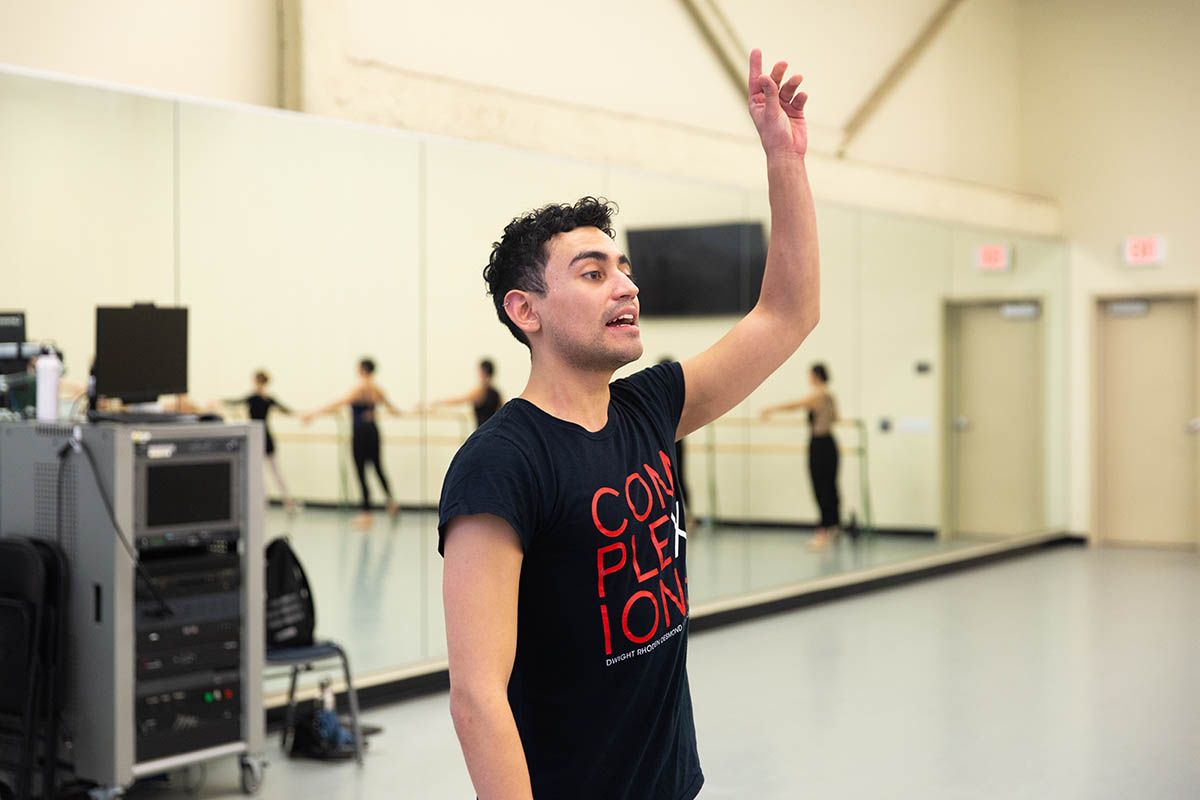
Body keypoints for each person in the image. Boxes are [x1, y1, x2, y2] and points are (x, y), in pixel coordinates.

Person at [438, 50, 817, 800]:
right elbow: (477, 698)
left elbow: (787, 313)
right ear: (526, 311)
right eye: (592, 272)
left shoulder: (650, 408)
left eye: (623, 267)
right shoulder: (500, 465)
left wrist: (784, 160)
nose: (627, 285)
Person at [304, 358, 402, 528]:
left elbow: (338, 403)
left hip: (360, 433)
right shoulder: (377, 389)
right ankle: (391, 502)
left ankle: (367, 514)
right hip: (373, 431)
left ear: (363, 369)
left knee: (361, 471)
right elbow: (393, 410)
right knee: (378, 468)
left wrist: (314, 413)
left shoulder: (360, 388)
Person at [761, 362, 841, 548]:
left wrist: (771, 409)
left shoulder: (818, 395)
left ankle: (824, 530)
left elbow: (795, 405)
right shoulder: (830, 395)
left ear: (815, 376)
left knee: (820, 487)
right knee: (830, 487)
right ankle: (834, 526)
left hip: (819, 445)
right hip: (830, 443)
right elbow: (836, 418)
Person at [227, 370, 298, 513]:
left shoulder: (261, 398)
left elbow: (284, 409)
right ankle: (265, 503)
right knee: (263, 472)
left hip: (262, 437)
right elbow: (236, 402)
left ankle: (287, 501)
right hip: (258, 437)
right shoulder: (259, 398)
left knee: (274, 472)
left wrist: (300, 414)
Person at [428, 358, 503, 428]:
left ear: (482, 372)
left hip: (482, 433)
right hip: (493, 431)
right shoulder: (497, 392)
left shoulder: (480, 391)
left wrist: (438, 402)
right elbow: (501, 412)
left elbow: (459, 400)